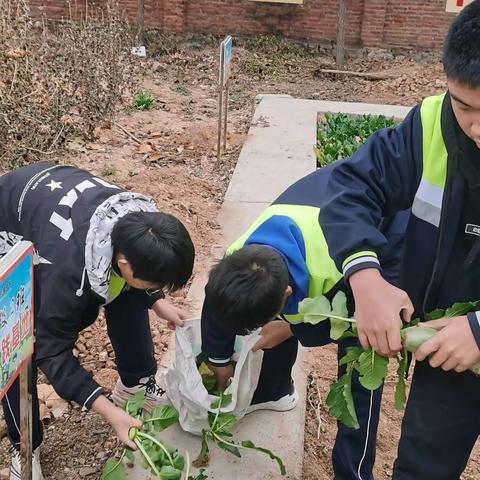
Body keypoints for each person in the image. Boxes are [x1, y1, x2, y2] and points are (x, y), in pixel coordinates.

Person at [318, 3, 480, 478]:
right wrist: (367, 280)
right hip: (445, 346)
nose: (477, 128)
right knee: (422, 466)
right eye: (465, 106)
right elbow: (352, 189)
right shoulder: (431, 124)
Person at [201, 163, 409, 480]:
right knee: (273, 319)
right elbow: (216, 303)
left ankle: (352, 471)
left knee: (363, 364)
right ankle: (273, 391)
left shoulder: (338, 267)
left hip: (392, 227)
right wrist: (218, 361)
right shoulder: (239, 256)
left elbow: (353, 321)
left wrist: (290, 327)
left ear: (287, 292)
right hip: (322, 202)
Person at [0, 162, 195, 479]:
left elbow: (133, 276)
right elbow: (52, 350)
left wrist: (158, 302)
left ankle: (135, 384)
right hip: (7, 225)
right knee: (18, 339)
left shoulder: (133, 219)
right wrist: (109, 413)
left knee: (127, 290)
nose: (157, 289)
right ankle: (23, 446)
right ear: (123, 262)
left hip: (50, 202)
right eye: (155, 284)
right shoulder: (65, 273)